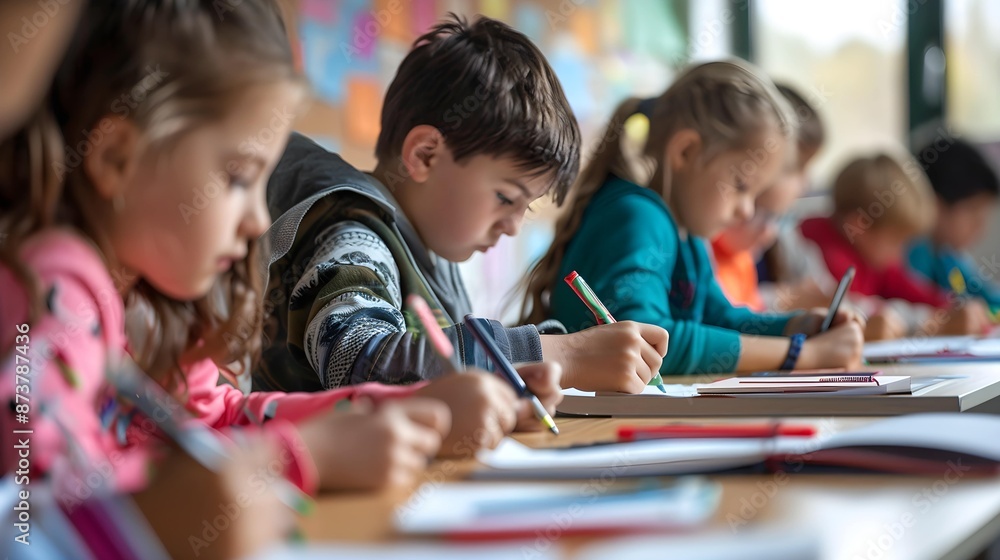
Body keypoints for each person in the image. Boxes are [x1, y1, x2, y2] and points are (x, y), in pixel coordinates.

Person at [256, 15, 669, 396]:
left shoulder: (427, 249)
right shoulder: (353, 238)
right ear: (425, 156)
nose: (511, 228)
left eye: (524, 208)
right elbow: (365, 362)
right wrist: (567, 355)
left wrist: (548, 352)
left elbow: (439, 355)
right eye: (505, 197)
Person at [523, 61, 865, 375]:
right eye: (741, 185)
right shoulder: (638, 216)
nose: (746, 210)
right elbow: (646, 342)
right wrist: (801, 355)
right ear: (685, 151)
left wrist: (797, 327)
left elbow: (720, 318)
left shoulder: (688, 233)